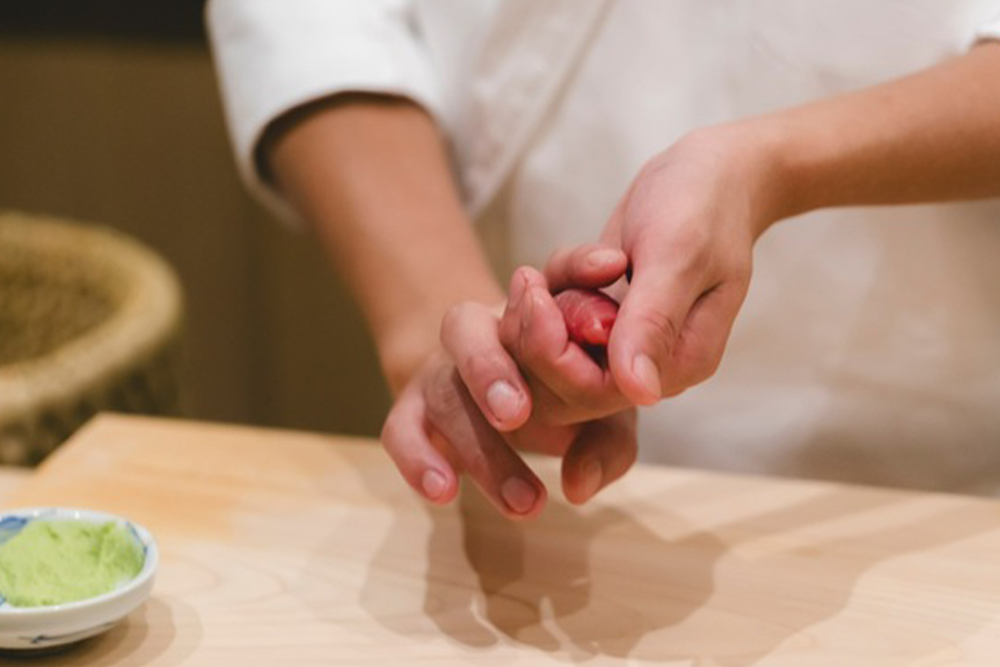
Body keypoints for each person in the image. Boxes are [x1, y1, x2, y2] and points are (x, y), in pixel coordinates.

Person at [207, 1, 1000, 519]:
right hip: (544, 512)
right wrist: (441, 319)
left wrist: (772, 166)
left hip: (941, 497)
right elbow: (310, 20)